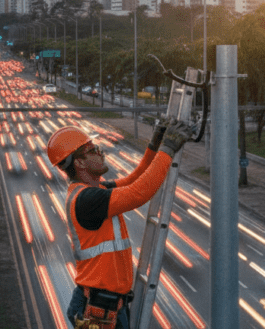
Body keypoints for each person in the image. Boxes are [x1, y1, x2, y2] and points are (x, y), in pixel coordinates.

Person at [46, 119, 195, 329]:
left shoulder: (97, 191)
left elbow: (135, 180)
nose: (101, 152)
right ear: (79, 163)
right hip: (98, 310)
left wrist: (154, 145)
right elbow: (140, 192)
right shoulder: (88, 200)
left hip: (104, 305)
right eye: (93, 150)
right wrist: (168, 147)